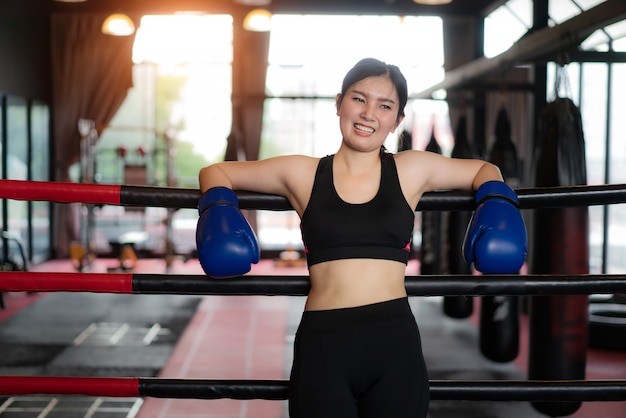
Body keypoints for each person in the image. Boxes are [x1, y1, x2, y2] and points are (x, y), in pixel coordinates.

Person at [196, 57, 527, 418]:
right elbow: (216, 171)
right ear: (339, 103)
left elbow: (484, 168)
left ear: (397, 119)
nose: (369, 113)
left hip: (393, 341)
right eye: (359, 99)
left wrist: (495, 199)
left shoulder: (412, 169)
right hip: (324, 343)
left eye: (384, 105)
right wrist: (219, 213)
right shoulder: (301, 173)